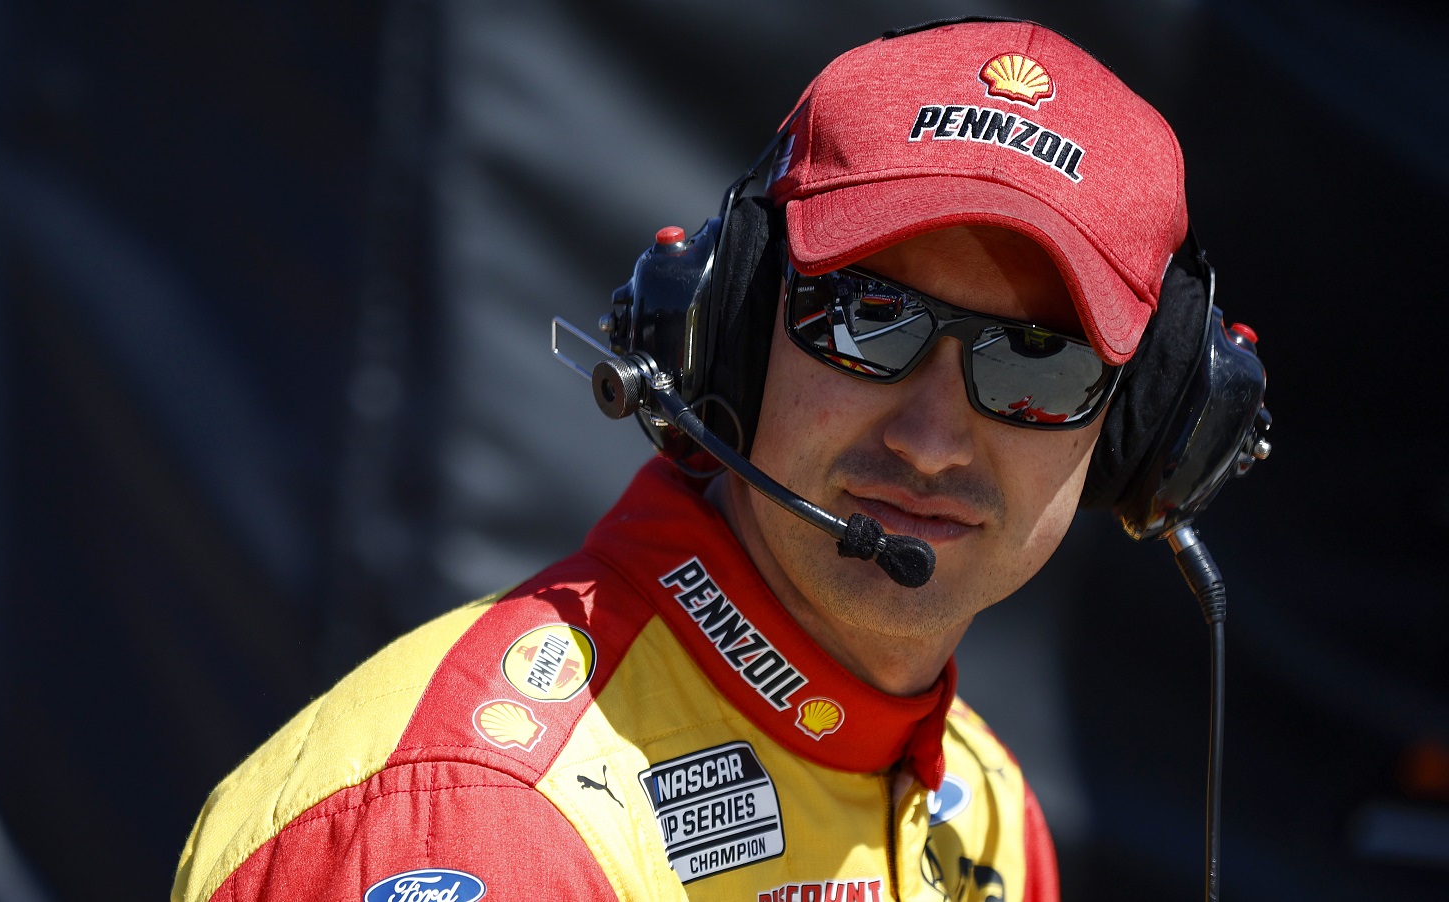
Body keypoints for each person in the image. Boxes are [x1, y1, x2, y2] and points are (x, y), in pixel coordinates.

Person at [174, 18, 1199, 902]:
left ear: (1137, 428)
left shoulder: (983, 816)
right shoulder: (477, 829)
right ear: (732, 327)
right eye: (865, 319)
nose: (929, 439)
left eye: (1036, 363)